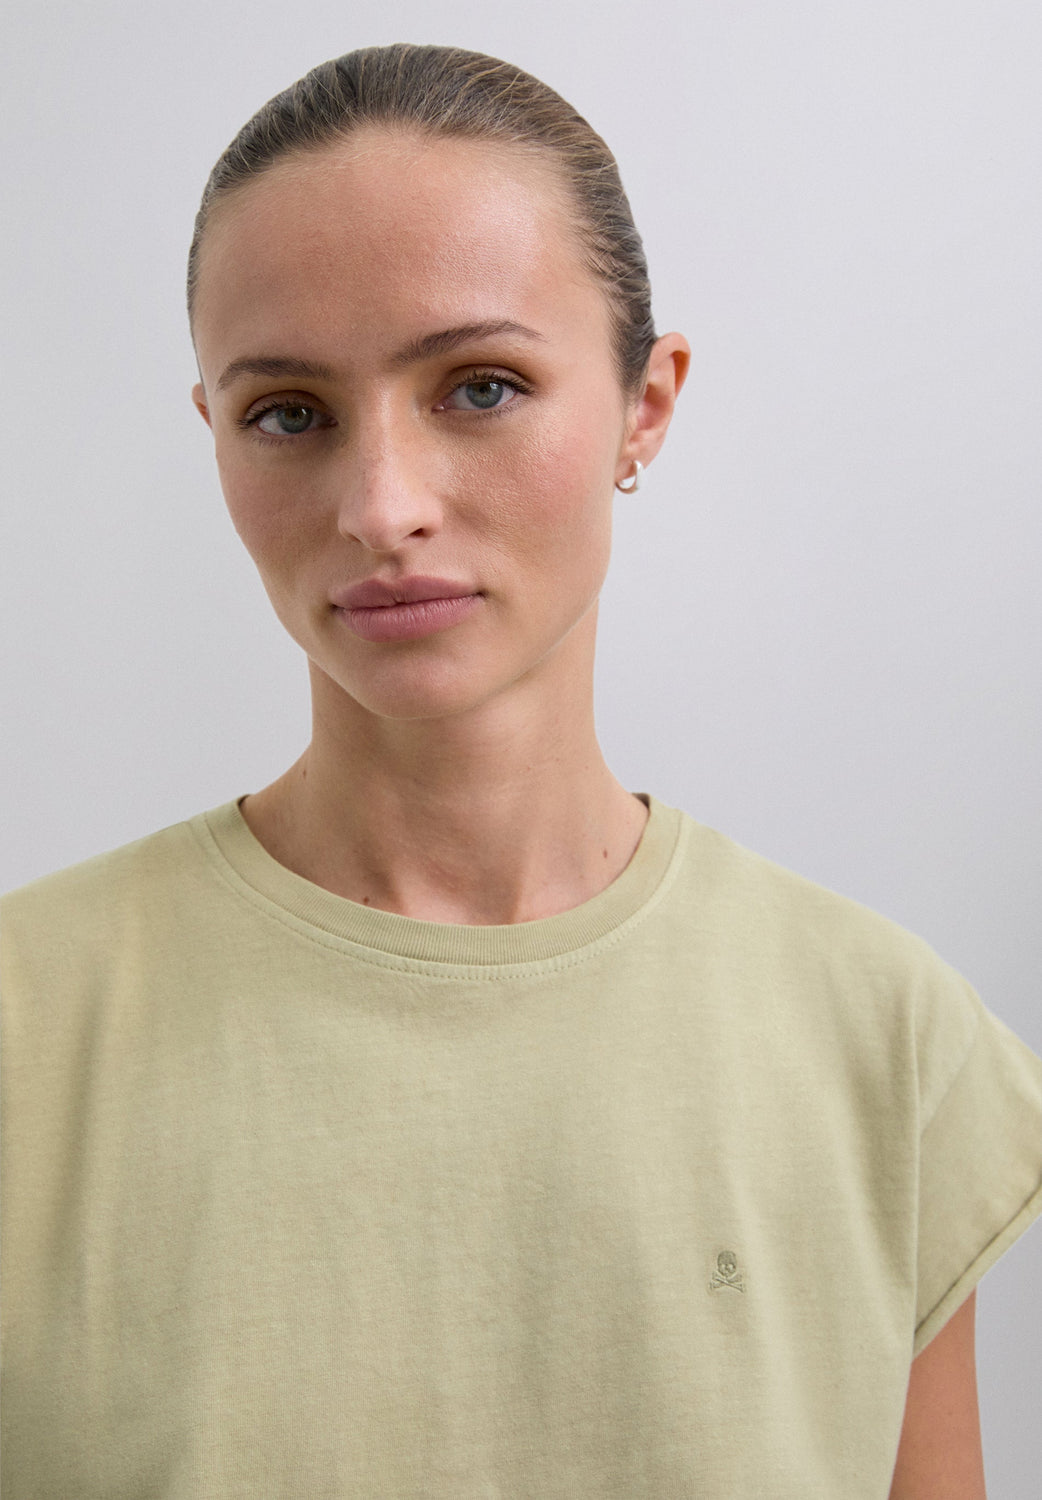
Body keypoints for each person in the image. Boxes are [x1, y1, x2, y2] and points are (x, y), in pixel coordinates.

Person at [1, 42, 1039, 1500]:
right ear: (215, 435)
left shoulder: (882, 1039)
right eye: (287, 412)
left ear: (644, 405)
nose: (381, 507)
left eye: (479, 387)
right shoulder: (27, 1027)